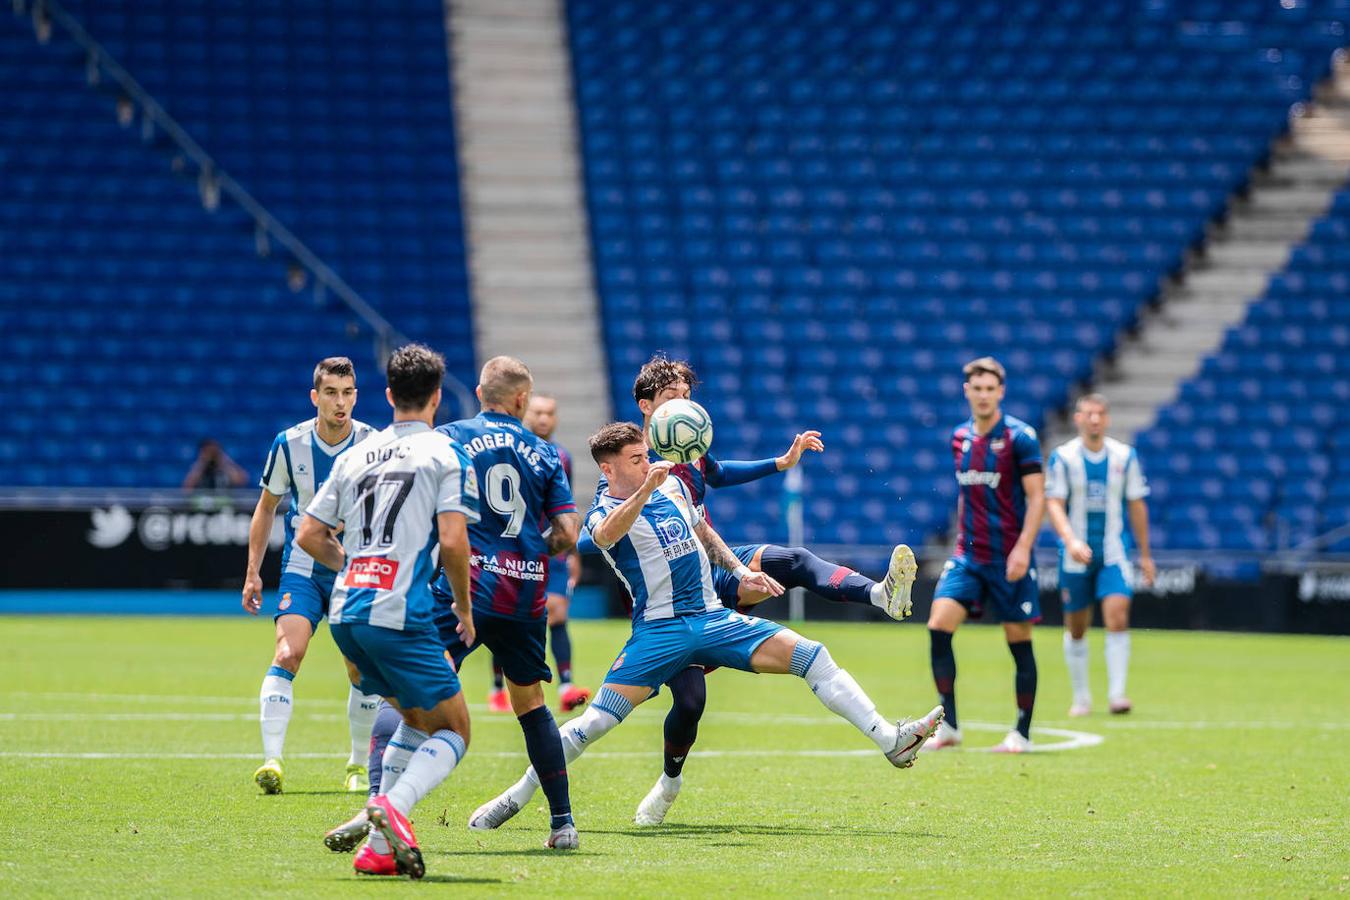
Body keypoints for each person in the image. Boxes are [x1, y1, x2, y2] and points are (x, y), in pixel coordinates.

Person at [465, 423, 943, 835]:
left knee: (812, 655)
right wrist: (645, 488)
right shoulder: (602, 512)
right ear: (608, 469)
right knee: (595, 724)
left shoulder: (671, 486)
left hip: (713, 618)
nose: (646, 462)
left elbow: (704, 531)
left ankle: (891, 739)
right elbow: (607, 535)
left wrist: (741, 572)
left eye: (645, 454)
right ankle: (517, 795)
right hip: (659, 634)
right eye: (634, 459)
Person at [579, 356, 918, 824]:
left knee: (794, 560)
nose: (684, 404)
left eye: (687, 395)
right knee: (691, 704)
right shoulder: (632, 462)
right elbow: (592, 532)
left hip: (716, 568)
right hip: (668, 599)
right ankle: (669, 782)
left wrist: (781, 462)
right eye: (672, 397)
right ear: (646, 405)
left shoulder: (690, 442)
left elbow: (716, 473)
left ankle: (881, 595)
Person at [365, 357, 582, 851]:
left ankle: (379, 804)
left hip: (466, 588)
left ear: (480, 393)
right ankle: (563, 824)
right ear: (522, 400)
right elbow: (568, 533)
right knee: (532, 708)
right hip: (524, 595)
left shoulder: (452, 437)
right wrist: (530, 550)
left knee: (404, 692)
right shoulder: (547, 454)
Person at [303, 343, 479, 879]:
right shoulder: (443, 452)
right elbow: (453, 542)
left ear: (386, 395)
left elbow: (310, 533)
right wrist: (465, 611)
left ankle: (379, 846)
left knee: (414, 717)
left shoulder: (357, 453)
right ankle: (389, 807)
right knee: (454, 731)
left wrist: (354, 564)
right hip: (399, 611)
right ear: (436, 399)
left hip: (347, 611)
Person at [241, 357, 381, 794]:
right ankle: (272, 760)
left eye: (348, 393)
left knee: (360, 667)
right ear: (315, 396)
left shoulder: (372, 444)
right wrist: (252, 573)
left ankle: (357, 765)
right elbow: (266, 507)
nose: (341, 402)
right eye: (332, 393)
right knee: (287, 653)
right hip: (301, 568)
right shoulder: (289, 444)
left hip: (352, 569)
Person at [926, 357, 1046, 754]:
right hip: (968, 556)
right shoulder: (959, 437)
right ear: (967, 391)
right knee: (938, 626)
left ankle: (1022, 733)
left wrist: (1024, 550)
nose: (982, 395)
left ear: (1001, 392)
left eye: (989, 389)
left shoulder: (1020, 438)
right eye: (976, 388)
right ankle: (951, 725)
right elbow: (967, 497)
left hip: (1009, 557)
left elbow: (1037, 497)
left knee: (1019, 643)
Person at [1045, 393, 1154, 717]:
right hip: (1074, 555)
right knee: (1077, 627)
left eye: (1100, 414)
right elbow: (1054, 504)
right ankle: (1081, 698)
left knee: (1118, 615)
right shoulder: (1063, 457)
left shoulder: (1124, 457)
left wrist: (1146, 554)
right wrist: (1071, 540)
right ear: (1077, 418)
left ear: (1106, 419)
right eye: (1088, 414)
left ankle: (1118, 694)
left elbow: (1136, 504)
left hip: (1113, 552)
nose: (1094, 419)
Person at [523, 393, 592, 713]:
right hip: (519, 548)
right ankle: (500, 686)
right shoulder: (515, 450)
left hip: (554, 550)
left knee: (558, 612)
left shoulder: (562, 456)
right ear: (526, 412)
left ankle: (566, 685)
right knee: (515, 617)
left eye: (549, 413)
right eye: (537, 412)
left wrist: (573, 551)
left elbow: (565, 508)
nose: (543, 419)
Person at [183, 438, 249, 492]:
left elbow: (242, 481)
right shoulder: (198, 469)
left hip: (224, 503)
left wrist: (224, 461)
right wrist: (202, 462)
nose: (211, 455)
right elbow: (187, 489)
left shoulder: (225, 466)